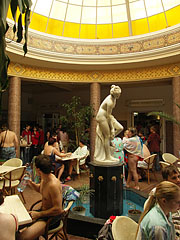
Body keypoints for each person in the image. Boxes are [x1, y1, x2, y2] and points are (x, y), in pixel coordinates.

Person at [17, 155, 64, 240]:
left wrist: (38, 214)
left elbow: (58, 209)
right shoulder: (44, 178)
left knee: (23, 237)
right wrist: (30, 183)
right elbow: (41, 189)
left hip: (51, 218)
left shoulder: (53, 185)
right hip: (42, 212)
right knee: (15, 224)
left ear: (38, 170)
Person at [94, 85, 123, 162]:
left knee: (120, 128)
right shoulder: (110, 102)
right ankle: (108, 156)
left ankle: (110, 139)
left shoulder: (114, 98)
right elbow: (108, 116)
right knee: (107, 136)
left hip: (107, 116)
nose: (119, 95)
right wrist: (112, 129)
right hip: (102, 117)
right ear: (114, 94)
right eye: (118, 94)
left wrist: (113, 131)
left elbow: (109, 116)